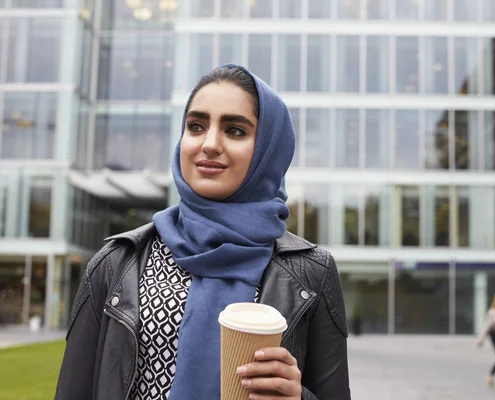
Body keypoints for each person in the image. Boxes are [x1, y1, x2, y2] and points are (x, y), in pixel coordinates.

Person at [54, 64, 351, 400]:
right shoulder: (116, 261)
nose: (209, 144)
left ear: (270, 148)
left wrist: (297, 397)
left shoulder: (311, 271)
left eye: (235, 130)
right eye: (195, 126)